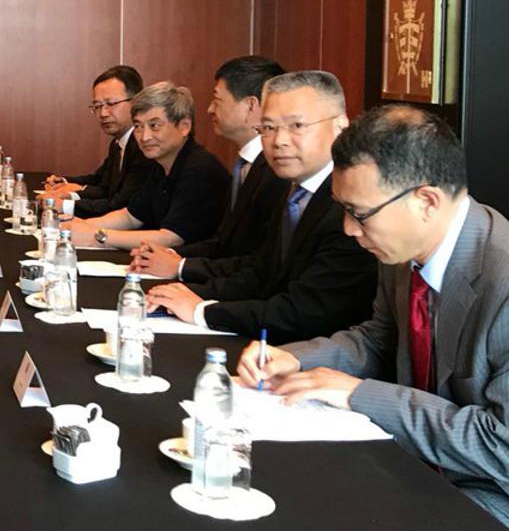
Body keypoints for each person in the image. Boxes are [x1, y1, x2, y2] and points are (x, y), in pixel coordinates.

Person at [238, 106, 509, 531]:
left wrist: (358, 393)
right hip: (435, 459)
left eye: (359, 213)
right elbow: (380, 339)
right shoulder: (402, 250)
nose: (349, 229)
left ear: (426, 200)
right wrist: (299, 358)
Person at [142, 71, 377, 340]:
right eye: (268, 128)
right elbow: (262, 274)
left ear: (341, 126)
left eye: (297, 125)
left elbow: (306, 312)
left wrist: (202, 311)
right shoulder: (289, 190)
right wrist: (184, 294)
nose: (279, 141)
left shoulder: (353, 207)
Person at [70, 82, 230, 251]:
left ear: (184, 127)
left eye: (154, 126)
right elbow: (130, 217)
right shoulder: (160, 165)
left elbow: (170, 238)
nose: (144, 137)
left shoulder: (200, 169)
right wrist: (77, 227)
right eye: (138, 127)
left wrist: (97, 236)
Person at [179, 55, 287, 259]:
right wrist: (172, 256)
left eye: (217, 100)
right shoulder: (244, 166)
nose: (210, 109)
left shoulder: (277, 171)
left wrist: (179, 265)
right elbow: (224, 243)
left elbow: (256, 260)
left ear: (251, 106)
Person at [44, 65, 154, 219]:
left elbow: (120, 205)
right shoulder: (119, 142)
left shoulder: (144, 146)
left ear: (136, 102)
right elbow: (102, 184)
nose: (103, 113)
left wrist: (64, 205)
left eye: (111, 104)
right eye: (97, 106)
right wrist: (64, 183)